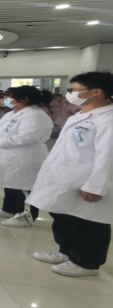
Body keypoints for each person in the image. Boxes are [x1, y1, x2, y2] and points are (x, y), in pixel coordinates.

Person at [27, 72, 113, 277]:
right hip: (66, 178)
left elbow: (108, 156)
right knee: (63, 217)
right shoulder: (80, 115)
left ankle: (87, 263)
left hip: (87, 181)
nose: (70, 94)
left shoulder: (108, 120)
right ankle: (66, 251)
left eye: (75, 90)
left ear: (96, 92)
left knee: (88, 222)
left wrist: (96, 186)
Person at [0, 86, 54, 228]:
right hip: (8, 155)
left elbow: (27, 137)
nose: (8, 99)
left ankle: (25, 217)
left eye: (11, 97)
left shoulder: (35, 115)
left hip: (25, 157)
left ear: (25, 99)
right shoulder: (12, 113)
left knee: (23, 187)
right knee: (10, 184)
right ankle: (8, 209)